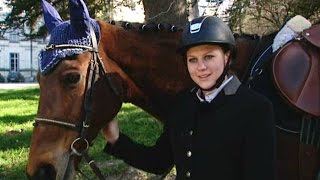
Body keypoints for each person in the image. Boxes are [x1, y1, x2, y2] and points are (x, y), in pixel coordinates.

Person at [102, 16, 276, 180]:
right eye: (192, 59)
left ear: (227, 56)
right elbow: (158, 162)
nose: (200, 67)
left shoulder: (255, 108)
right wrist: (116, 139)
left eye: (209, 57)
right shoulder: (182, 104)